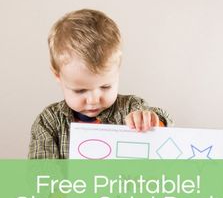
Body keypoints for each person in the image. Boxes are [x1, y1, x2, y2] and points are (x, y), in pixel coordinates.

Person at [28, 9, 173, 159]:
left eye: (105, 87)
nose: (93, 100)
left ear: (117, 72)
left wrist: (150, 120)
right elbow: (41, 177)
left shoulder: (130, 107)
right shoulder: (48, 122)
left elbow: (165, 129)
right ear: (58, 76)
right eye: (80, 90)